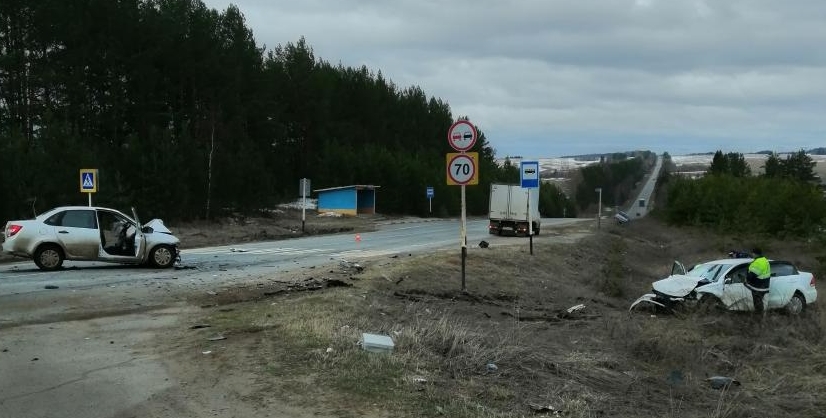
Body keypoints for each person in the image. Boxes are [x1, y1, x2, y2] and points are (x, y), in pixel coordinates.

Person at [745, 248, 771, 314]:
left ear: (755, 254)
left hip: (758, 287)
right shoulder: (765, 260)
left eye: (752, 253)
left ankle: (759, 318)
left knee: (758, 306)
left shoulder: (757, 262)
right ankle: (762, 318)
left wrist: (746, 280)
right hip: (765, 286)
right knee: (762, 305)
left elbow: (752, 275)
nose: (752, 254)